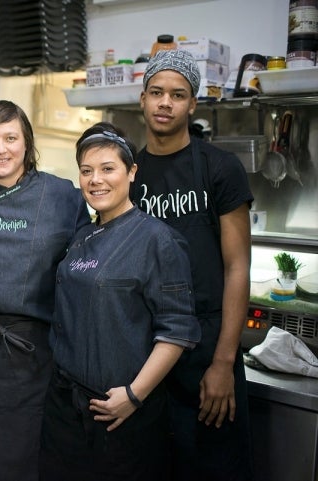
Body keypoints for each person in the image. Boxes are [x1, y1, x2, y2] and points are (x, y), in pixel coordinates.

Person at [39, 122, 201, 481]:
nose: (96, 179)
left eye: (108, 169)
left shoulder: (158, 240)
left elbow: (176, 331)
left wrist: (133, 395)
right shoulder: (81, 235)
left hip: (121, 414)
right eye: (86, 171)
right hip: (64, 408)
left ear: (131, 172)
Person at [0, 100, 91, 481]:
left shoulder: (63, 197)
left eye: (10, 138)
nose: (0, 149)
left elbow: (84, 275)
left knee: (33, 464)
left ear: (27, 142)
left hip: (38, 354)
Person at [129, 49, 254, 481]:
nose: (166, 103)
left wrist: (223, 363)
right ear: (142, 98)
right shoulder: (129, 173)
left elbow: (237, 268)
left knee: (213, 467)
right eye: (157, 92)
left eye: (177, 95)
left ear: (192, 104)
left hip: (206, 348)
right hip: (146, 348)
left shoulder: (220, 169)